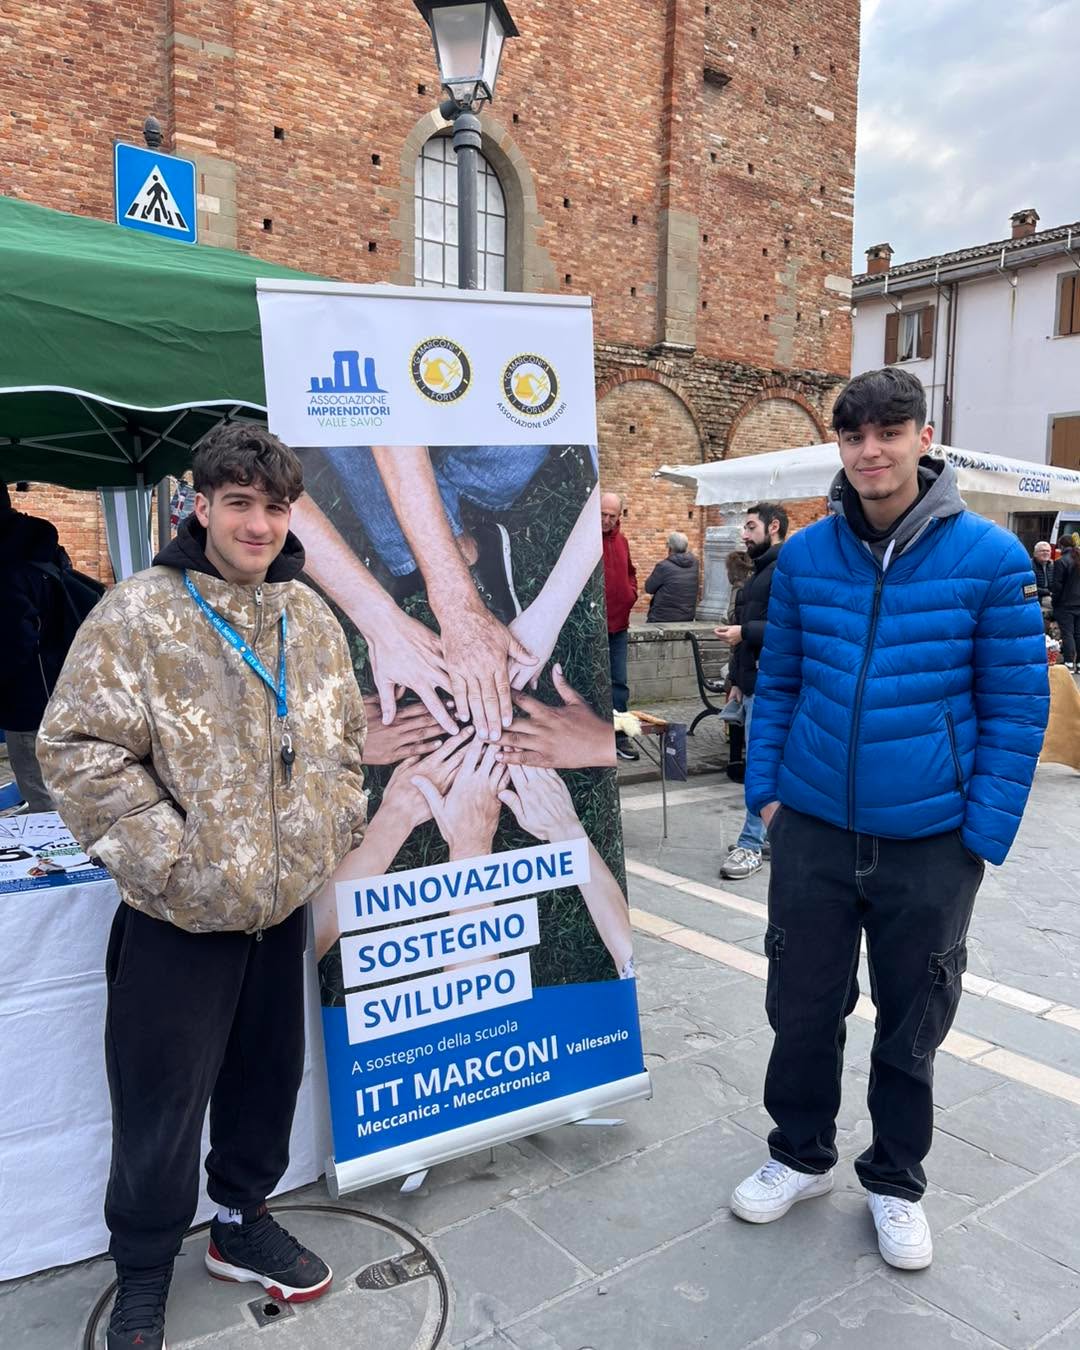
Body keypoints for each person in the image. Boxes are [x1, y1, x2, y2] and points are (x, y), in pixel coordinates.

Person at [36, 426, 368, 1350]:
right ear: (200, 504)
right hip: (179, 919)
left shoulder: (312, 617)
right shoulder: (140, 613)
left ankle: (240, 1222)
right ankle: (143, 1267)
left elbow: (345, 742)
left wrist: (324, 834)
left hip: (279, 908)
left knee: (267, 1080)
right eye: (238, 503)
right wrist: (175, 862)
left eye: (272, 506)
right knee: (160, 1100)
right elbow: (77, 750)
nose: (257, 524)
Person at [730, 367, 1048, 1272]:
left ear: (922, 436)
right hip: (816, 829)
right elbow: (779, 682)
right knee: (801, 1001)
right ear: (840, 444)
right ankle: (798, 1151)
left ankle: (896, 1178)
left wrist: (977, 837)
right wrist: (770, 795)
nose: (871, 450)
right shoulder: (806, 557)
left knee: (914, 1017)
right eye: (853, 434)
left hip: (931, 842)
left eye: (889, 431)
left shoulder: (990, 559)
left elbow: (1018, 708)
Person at [714, 504, 788, 880]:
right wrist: (736, 686)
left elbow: (791, 632)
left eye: (750, 526)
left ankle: (750, 844)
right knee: (766, 767)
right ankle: (770, 836)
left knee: (760, 767)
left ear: (773, 527)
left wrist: (745, 632)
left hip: (773, 688)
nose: (744, 534)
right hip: (753, 685)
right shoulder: (761, 572)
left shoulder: (784, 572)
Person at [0, 481, 80, 811]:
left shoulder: (6, 564)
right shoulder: (44, 548)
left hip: (27, 699)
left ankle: (57, 858)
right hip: (65, 685)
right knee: (64, 786)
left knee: (41, 793)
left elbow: (14, 636)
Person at [601, 491, 639, 761]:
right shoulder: (586, 541)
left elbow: (630, 574)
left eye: (611, 516)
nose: (606, 520)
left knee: (619, 683)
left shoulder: (622, 541)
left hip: (619, 625)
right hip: (596, 624)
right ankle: (597, 736)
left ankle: (620, 736)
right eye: (602, 515)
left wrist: (631, 594)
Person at [644, 531, 699, 623]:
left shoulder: (663, 566)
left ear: (669, 547)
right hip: (687, 617)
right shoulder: (695, 564)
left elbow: (649, 588)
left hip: (661, 618)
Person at [1052, 536, 1080, 673]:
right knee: (1078, 634)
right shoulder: (1077, 559)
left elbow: (1057, 586)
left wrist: (1054, 602)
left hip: (1066, 604)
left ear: (1061, 546)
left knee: (1067, 634)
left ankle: (1069, 662)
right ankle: (1079, 665)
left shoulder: (1061, 562)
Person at [1032, 539, 1054, 609]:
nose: (1045, 553)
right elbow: (1028, 588)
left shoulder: (1053, 565)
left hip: (1051, 595)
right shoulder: (1030, 566)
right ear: (1035, 553)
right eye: (1042, 551)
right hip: (1037, 597)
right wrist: (1047, 592)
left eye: (1047, 551)